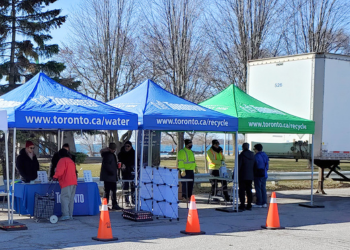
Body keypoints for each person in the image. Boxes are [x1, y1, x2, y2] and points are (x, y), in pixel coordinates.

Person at [53, 148, 77, 221]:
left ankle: (65, 215)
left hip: (66, 182)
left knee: (65, 198)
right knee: (71, 199)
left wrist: (55, 176)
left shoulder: (62, 160)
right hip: (73, 182)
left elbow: (60, 171)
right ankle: (70, 214)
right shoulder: (71, 160)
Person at [100, 142, 121, 210]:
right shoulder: (109, 155)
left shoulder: (107, 154)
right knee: (112, 191)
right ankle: (113, 204)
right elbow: (107, 165)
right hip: (110, 176)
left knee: (107, 191)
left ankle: (105, 205)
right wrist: (113, 171)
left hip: (108, 176)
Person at [238, 143, 256, 211]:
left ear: (242, 147)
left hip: (242, 176)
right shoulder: (253, 155)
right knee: (249, 190)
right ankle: (249, 204)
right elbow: (255, 166)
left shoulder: (241, 155)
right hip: (250, 175)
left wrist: (235, 175)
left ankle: (242, 204)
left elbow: (238, 166)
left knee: (242, 191)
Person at [118, 141, 136, 205]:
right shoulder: (121, 153)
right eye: (126, 146)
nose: (127, 148)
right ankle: (126, 201)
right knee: (125, 187)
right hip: (124, 172)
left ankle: (133, 200)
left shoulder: (134, 153)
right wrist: (122, 164)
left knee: (133, 187)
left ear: (131, 147)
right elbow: (119, 162)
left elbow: (136, 162)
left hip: (132, 171)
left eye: (128, 146)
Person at [253, 143, 269, 208]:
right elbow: (267, 166)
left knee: (258, 188)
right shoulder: (265, 155)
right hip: (264, 174)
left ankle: (259, 202)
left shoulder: (256, 156)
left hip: (257, 174)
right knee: (263, 188)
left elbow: (255, 165)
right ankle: (264, 202)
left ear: (256, 149)